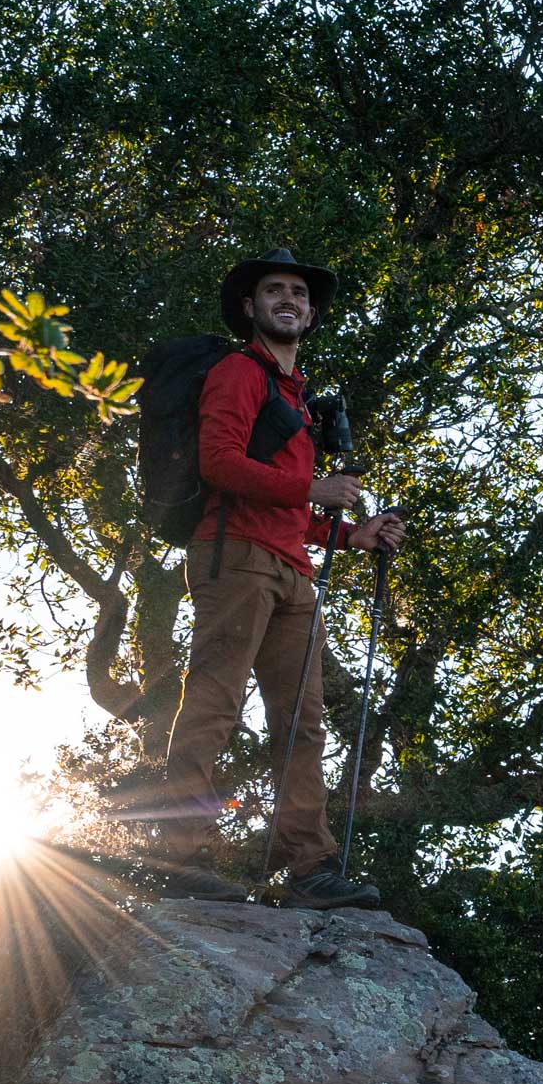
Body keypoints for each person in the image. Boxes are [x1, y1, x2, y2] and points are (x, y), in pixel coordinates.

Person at [155, 248, 405, 908]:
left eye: (299, 292)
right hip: (233, 557)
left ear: (312, 313)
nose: (288, 299)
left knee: (303, 724)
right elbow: (218, 463)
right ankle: (180, 855)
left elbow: (289, 508)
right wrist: (312, 486)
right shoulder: (239, 372)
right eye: (274, 290)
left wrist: (353, 535)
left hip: (294, 572)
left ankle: (311, 866)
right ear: (250, 307)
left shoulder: (297, 399)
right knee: (214, 704)